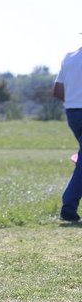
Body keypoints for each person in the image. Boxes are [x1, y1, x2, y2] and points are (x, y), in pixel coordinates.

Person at [53, 43, 82, 222]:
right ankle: (68, 207)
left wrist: (75, 98)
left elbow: (57, 91)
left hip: (73, 113)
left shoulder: (70, 57)